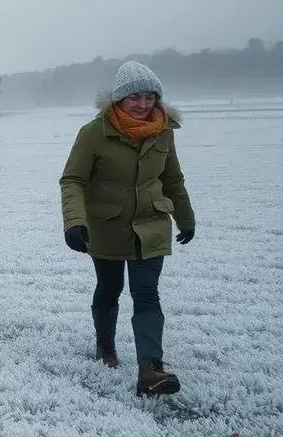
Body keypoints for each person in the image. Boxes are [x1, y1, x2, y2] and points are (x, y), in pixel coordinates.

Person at [60, 61, 195, 397]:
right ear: (118, 99)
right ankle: (105, 346)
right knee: (109, 287)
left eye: (150, 97)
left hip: (151, 224)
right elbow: (73, 180)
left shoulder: (163, 130)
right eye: (134, 97)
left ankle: (151, 368)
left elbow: (172, 179)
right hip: (106, 226)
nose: (143, 104)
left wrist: (186, 217)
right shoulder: (93, 133)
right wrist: (75, 221)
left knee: (147, 293)